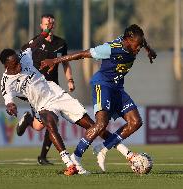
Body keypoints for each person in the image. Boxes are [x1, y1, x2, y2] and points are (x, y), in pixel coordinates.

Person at [0, 26, 138, 175]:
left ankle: (128, 154)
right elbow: (8, 100)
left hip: (56, 93)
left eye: (18, 60)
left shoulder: (24, 56)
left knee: (93, 126)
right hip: (42, 104)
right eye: (15, 64)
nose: (20, 64)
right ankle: (70, 164)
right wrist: (11, 106)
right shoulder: (6, 82)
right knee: (50, 125)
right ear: (7, 66)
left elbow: (34, 43)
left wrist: (45, 33)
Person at [40, 24, 157, 172]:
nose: (138, 48)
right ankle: (76, 158)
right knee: (101, 124)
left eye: (140, 45)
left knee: (136, 122)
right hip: (102, 85)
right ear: (127, 40)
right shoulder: (110, 48)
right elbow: (82, 54)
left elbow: (142, 41)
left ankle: (102, 148)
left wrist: (148, 49)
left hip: (117, 88)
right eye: (137, 45)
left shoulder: (136, 42)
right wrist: (55, 61)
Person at [18, 14, 75, 165]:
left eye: (51, 23)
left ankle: (42, 157)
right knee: (38, 126)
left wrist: (70, 80)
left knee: (53, 122)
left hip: (53, 89)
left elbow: (65, 63)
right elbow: (22, 54)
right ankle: (28, 120)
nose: (49, 25)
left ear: (54, 25)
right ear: (41, 26)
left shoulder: (61, 43)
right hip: (37, 90)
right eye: (46, 24)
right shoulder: (35, 42)